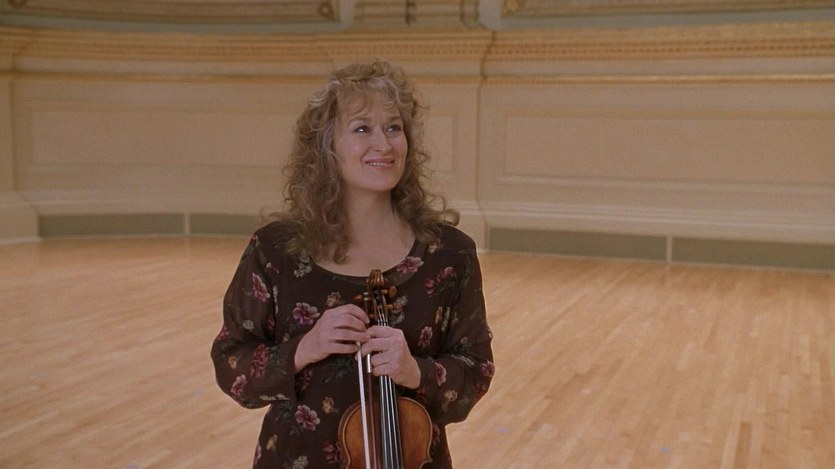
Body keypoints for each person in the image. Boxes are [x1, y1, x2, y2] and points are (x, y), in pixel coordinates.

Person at [210, 59, 494, 468]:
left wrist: (416, 371)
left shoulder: (448, 254)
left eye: (393, 127)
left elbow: (476, 372)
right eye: (362, 129)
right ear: (326, 147)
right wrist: (304, 348)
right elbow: (231, 366)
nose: (384, 144)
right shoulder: (275, 251)